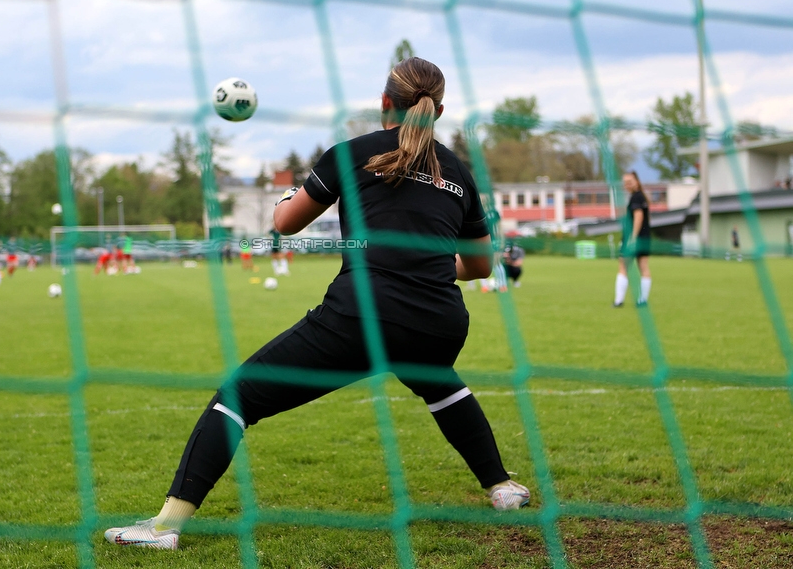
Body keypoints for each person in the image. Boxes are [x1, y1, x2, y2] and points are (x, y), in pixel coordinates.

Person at [104, 57, 528, 551]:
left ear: (384, 103)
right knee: (440, 383)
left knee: (237, 397)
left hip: (364, 315)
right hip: (440, 320)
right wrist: (427, 265)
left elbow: (285, 224)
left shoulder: (352, 154)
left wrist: (289, 193)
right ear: (439, 109)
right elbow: (479, 267)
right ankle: (502, 488)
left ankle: (163, 528)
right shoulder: (458, 170)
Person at [614, 171, 651, 307]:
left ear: (637, 182)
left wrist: (633, 237)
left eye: (629, 182)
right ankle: (642, 300)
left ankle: (619, 301)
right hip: (645, 238)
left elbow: (638, 216)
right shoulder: (642, 197)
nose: (627, 185)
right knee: (644, 268)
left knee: (623, 266)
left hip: (634, 238)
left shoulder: (636, 198)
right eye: (625, 183)